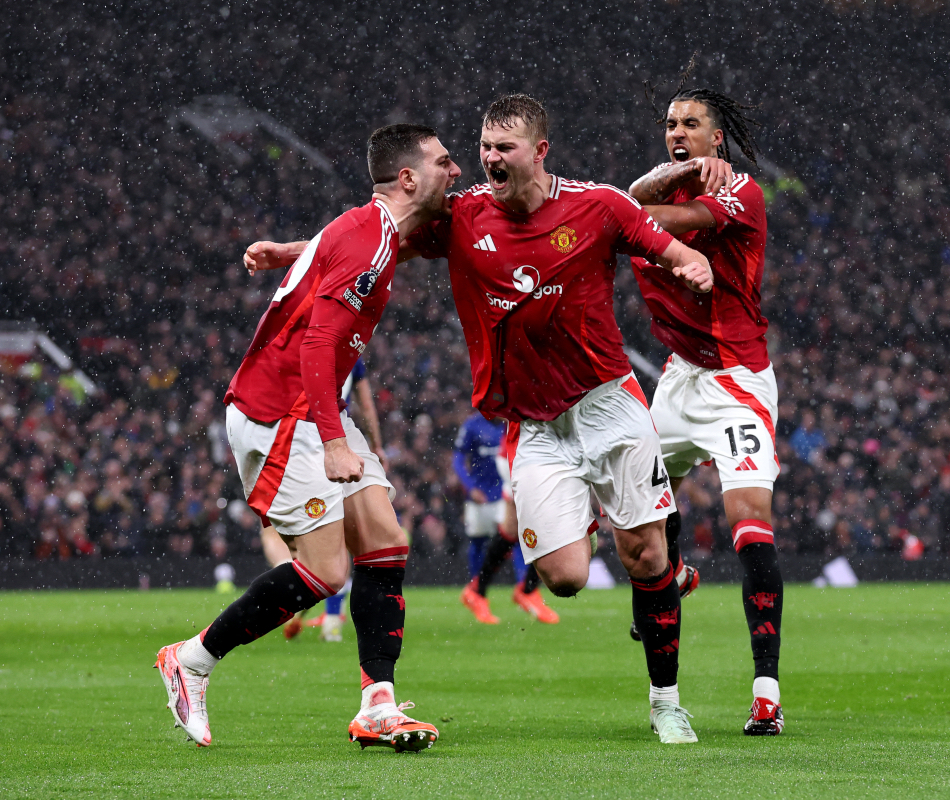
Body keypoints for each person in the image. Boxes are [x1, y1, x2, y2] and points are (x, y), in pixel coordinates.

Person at [245, 94, 714, 744]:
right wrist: (300, 253)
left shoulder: (598, 205)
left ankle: (667, 702)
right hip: (531, 424)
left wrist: (691, 264)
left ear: (539, 151)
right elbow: (381, 239)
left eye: (504, 148)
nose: (489, 159)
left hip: (608, 405)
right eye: (485, 146)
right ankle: (613, 518)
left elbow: (664, 246)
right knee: (567, 578)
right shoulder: (464, 216)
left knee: (646, 554)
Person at [155, 123, 460, 751]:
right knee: (325, 572)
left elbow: (332, 249)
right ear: (408, 179)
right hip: (280, 414)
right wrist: (333, 440)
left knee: (386, 542)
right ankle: (191, 660)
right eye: (443, 162)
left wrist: (288, 254)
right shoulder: (369, 242)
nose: (454, 171)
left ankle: (377, 705)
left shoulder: (364, 228)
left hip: (302, 409)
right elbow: (320, 344)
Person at [625, 83, 784, 735]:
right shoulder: (664, 184)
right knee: (635, 515)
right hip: (678, 379)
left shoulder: (739, 193)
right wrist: (674, 173)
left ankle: (766, 693)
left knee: (749, 522)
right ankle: (677, 571)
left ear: (718, 137)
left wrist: (644, 197)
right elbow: (635, 201)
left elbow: (655, 221)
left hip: (738, 379)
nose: (677, 130)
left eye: (691, 124)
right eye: (669, 123)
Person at [266, 358, 385, 642]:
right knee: (338, 534)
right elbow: (366, 406)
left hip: (303, 445)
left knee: (284, 534)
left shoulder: (304, 345)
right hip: (338, 446)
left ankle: (297, 601)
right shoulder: (352, 355)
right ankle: (331, 617)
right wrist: (377, 445)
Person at [458, 414, 559, 624]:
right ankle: (526, 589)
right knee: (552, 522)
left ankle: (480, 590)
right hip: (526, 452)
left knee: (512, 531)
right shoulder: (474, 425)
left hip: (522, 450)